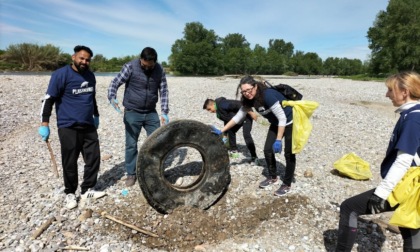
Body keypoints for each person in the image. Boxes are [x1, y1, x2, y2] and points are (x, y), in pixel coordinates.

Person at [335, 71, 420, 251]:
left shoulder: (413, 118)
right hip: (413, 186)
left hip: (409, 186)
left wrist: (381, 192)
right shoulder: (413, 114)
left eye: (390, 90)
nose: (386, 95)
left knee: (349, 208)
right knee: (411, 233)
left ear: (404, 92)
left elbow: (403, 160)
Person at [38, 45, 106, 210]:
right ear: (73, 57)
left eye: (87, 59)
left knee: (93, 158)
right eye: (81, 58)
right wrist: (44, 124)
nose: (84, 62)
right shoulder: (60, 75)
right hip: (68, 125)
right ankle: (70, 192)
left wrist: (96, 115)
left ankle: (87, 189)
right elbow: (49, 99)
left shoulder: (90, 76)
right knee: (70, 161)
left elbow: (92, 98)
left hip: (88, 124)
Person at [211, 75, 295, 196]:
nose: (247, 93)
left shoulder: (268, 96)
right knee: (267, 150)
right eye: (243, 91)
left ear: (255, 86)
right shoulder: (248, 100)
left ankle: (287, 184)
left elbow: (282, 118)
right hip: (276, 122)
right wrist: (221, 130)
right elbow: (237, 117)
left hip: (289, 121)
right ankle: (273, 177)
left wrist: (278, 140)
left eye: (249, 90)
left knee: (289, 153)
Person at [108, 47, 169, 187]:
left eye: (150, 66)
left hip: (151, 112)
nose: (147, 68)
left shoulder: (160, 70)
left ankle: (155, 170)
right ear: (141, 59)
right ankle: (131, 173)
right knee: (131, 144)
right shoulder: (130, 67)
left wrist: (164, 111)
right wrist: (112, 97)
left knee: (157, 141)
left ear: (155, 62)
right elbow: (115, 82)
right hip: (132, 112)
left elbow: (164, 90)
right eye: (144, 65)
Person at [203, 97, 259, 162]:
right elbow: (227, 121)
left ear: (212, 104)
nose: (210, 112)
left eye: (209, 109)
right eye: (208, 111)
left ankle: (254, 157)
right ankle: (234, 150)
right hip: (237, 119)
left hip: (247, 115)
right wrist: (225, 134)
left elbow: (239, 104)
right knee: (231, 131)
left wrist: (251, 113)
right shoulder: (219, 112)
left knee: (246, 134)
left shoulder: (222, 104)